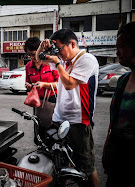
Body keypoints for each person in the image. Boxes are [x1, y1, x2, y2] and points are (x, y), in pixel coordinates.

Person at [36, 29, 99, 186]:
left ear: (72, 44)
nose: (58, 53)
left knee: (86, 166)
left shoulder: (87, 59)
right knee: (61, 162)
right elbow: (38, 59)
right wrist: (41, 48)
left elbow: (70, 84)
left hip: (79, 121)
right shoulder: (64, 61)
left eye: (59, 48)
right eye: (55, 49)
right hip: (59, 118)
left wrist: (57, 61)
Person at [102, 21, 135, 187]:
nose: (117, 52)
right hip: (117, 157)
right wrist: (107, 149)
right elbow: (114, 122)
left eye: (122, 46)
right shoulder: (122, 81)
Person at [24, 37, 59, 143]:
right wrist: (29, 86)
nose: (32, 57)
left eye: (34, 53)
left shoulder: (50, 63)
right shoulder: (28, 66)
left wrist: (44, 85)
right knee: (39, 127)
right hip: (37, 102)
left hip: (52, 100)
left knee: (52, 128)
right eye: (29, 55)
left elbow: (59, 84)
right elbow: (28, 82)